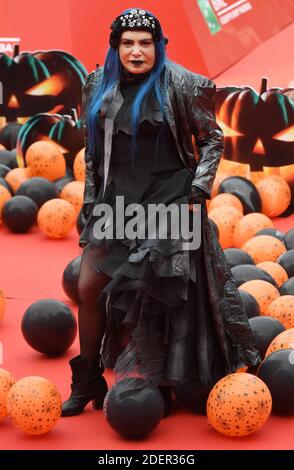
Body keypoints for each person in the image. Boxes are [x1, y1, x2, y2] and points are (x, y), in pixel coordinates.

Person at [62, 8, 259, 417]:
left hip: (170, 198)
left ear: (159, 45)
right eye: (128, 42)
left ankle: (156, 382)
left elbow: (213, 140)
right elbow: (95, 154)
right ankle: (88, 380)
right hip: (118, 201)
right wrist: (90, 201)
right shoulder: (97, 84)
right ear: (115, 46)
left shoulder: (184, 84)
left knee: (156, 296)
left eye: (145, 43)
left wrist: (199, 188)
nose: (137, 51)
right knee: (87, 286)